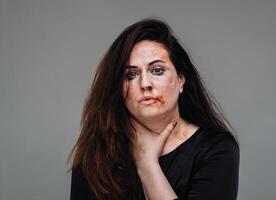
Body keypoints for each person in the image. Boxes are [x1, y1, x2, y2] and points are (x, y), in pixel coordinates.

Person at [68, 18, 240, 200]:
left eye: (157, 70)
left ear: (181, 80)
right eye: (131, 75)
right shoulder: (96, 153)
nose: (145, 83)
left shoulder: (216, 149)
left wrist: (147, 165)